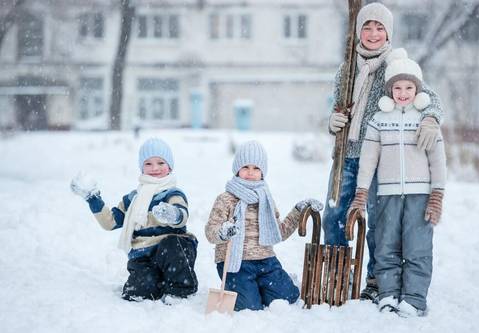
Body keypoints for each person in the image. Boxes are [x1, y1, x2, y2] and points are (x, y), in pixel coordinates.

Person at [323, 2, 443, 302]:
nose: (373, 33)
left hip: (381, 158)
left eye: (380, 28)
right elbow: (339, 106)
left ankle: (377, 280)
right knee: (334, 216)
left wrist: (430, 118)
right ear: (358, 31)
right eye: (367, 26)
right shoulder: (346, 69)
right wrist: (334, 121)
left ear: (388, 33)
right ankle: (339, 276)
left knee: (378, 223)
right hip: (347, 157)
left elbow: (431, 98)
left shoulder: (396, 64)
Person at [348, 55, 446, 317]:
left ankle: (414, 299)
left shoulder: (426, 121)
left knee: (417, 248)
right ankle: (388, 294)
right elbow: (368, 160)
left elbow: (438, 161)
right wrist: (361, 193)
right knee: (386, 245)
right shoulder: (379, 120)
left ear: (418, 90)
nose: (403, 93)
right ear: (390, 89)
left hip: (420, 195)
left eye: (409, 88)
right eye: (397, 87)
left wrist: (437, 195)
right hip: (387, 195)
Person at [70, 138, 198, 302]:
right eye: (148, 164)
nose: (155, 168)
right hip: (143, 255)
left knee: (172, 245)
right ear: (141, 167)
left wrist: (173, 214)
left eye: (160, 163)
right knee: (137, 292)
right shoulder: (133, 199)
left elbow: (182, 214)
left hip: (171, 252)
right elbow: (110, 222)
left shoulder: (172, 193)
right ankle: (156, 281)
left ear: (170, 166)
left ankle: (181, 290)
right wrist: (92, 199)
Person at [205, 140, 324, 311]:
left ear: (263, 172)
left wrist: (298, 211)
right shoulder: (226, 199)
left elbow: (279, 232)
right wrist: (223, 232)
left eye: (256, 168)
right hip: (235, 264)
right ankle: (250, 289)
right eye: (245, 167)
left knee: (288, 297)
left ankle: (266, 285)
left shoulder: (266, 199)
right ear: (237, 169)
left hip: (265, 261)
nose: (250, 173)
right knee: (249, 307)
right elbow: (210, 231)